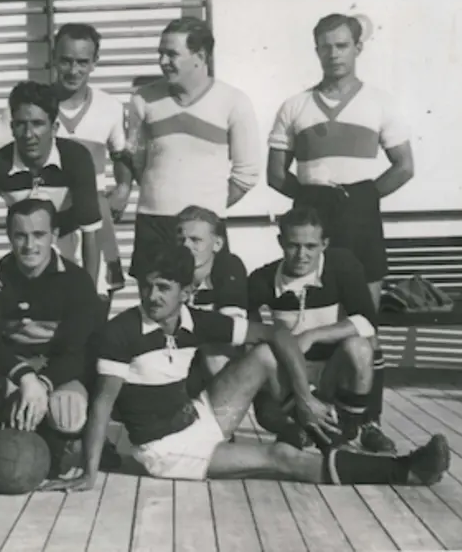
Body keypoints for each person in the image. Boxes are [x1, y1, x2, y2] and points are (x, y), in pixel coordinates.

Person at [43, 245, 449, 492]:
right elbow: (101, 405)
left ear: (187, 292)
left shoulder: (194, 320)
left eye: (164, 288)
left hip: (198, 417)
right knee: (280, 458)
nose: (152, 296)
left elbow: (275, 333)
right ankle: (405, 471)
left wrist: (305, 397)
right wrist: (88, 474)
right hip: (167, 450)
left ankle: (306, 424)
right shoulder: (120, 333)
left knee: (264, 354)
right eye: (148, 286)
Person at [267, 13, 415, 451]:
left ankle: (368, 424)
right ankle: (315, 414)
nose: (333, 54)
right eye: (325, 46)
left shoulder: (381, 102)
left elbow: (404, 166)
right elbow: (277, 175)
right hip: (314, 217)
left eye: (341, 45)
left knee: (364, 325)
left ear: (357, 48)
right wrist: (314, 202)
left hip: (361, 219)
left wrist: (364, 197)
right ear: (315, 50)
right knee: (314, 317)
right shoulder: (295, 105)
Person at [0, 24, 132, 298]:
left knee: (96, 302)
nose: (73, 71)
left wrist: (123, 187)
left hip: (92, 219)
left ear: (94, 63)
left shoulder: (110, 107)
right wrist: (17, 195)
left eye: (82, 62)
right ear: (53, 59)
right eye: (66, 61)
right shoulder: (33, 107)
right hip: (44, 226)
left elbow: (121, 154)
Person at [0, 198, 102, 474]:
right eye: (20, 235)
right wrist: (23, 376)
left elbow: (79, 351)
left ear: (55, 236)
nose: (29, 245)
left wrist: (44, 383)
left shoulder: (76, 280)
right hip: (12, 370)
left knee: (67, 411)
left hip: (57, 371)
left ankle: (53, 445)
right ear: (9, 236)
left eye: (39, 235)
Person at [248, 207, 396, 453]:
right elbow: (247, 332)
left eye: (310, 246)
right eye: (293, 245)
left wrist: (312, 335)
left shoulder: (341, 265)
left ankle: (358, 426)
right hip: (290, 376)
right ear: (280, 242)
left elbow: (368, 321)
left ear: (324, 244)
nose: (301, 255)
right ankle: (305, 427)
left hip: (332, 372)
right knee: (265, 379)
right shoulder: (262, 278)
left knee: (361, 346)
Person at [125, 17, 260, 279]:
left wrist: (207, 210)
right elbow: (137, 161)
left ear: (199, 56)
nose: (163, 62)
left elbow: (247, 173)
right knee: (156, 305)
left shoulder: (234, 101)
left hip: (205, 229)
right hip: (153, 223)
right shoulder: (143, 99)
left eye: (171, 54)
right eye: (160, 54)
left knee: (207, 308)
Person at [0, 81, 103, 294]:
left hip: (78, 251)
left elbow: (91, 232)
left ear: (54, 127)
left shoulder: (75, 157)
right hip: (30, 254)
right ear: (11, 127)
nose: (28, 134)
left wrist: (88, 292)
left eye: (37, 124)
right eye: (20, 124)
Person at [176, 205, 249, 396]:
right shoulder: (171, 271)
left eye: (195, 240)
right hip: (189, 354)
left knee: (214, 353)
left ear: (217, 244)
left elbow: (229, 327)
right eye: (181, 240)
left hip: (229, 355)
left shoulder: (228, 266)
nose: (186, 246)